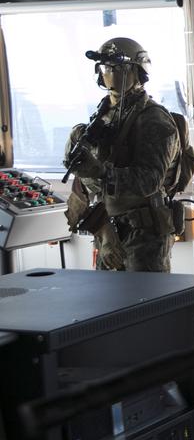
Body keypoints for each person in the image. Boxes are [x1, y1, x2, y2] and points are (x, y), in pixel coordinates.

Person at [63, 37, 179, 272]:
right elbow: (91, 186)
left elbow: (149, 181)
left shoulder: (153, 119)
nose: (112, 74)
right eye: (107, 68)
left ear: (138, 72)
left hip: (144, 235)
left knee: (147, 304)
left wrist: (103, 172)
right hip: (106, 230)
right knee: (110, 305)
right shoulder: (102, 116)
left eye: (121, 68)